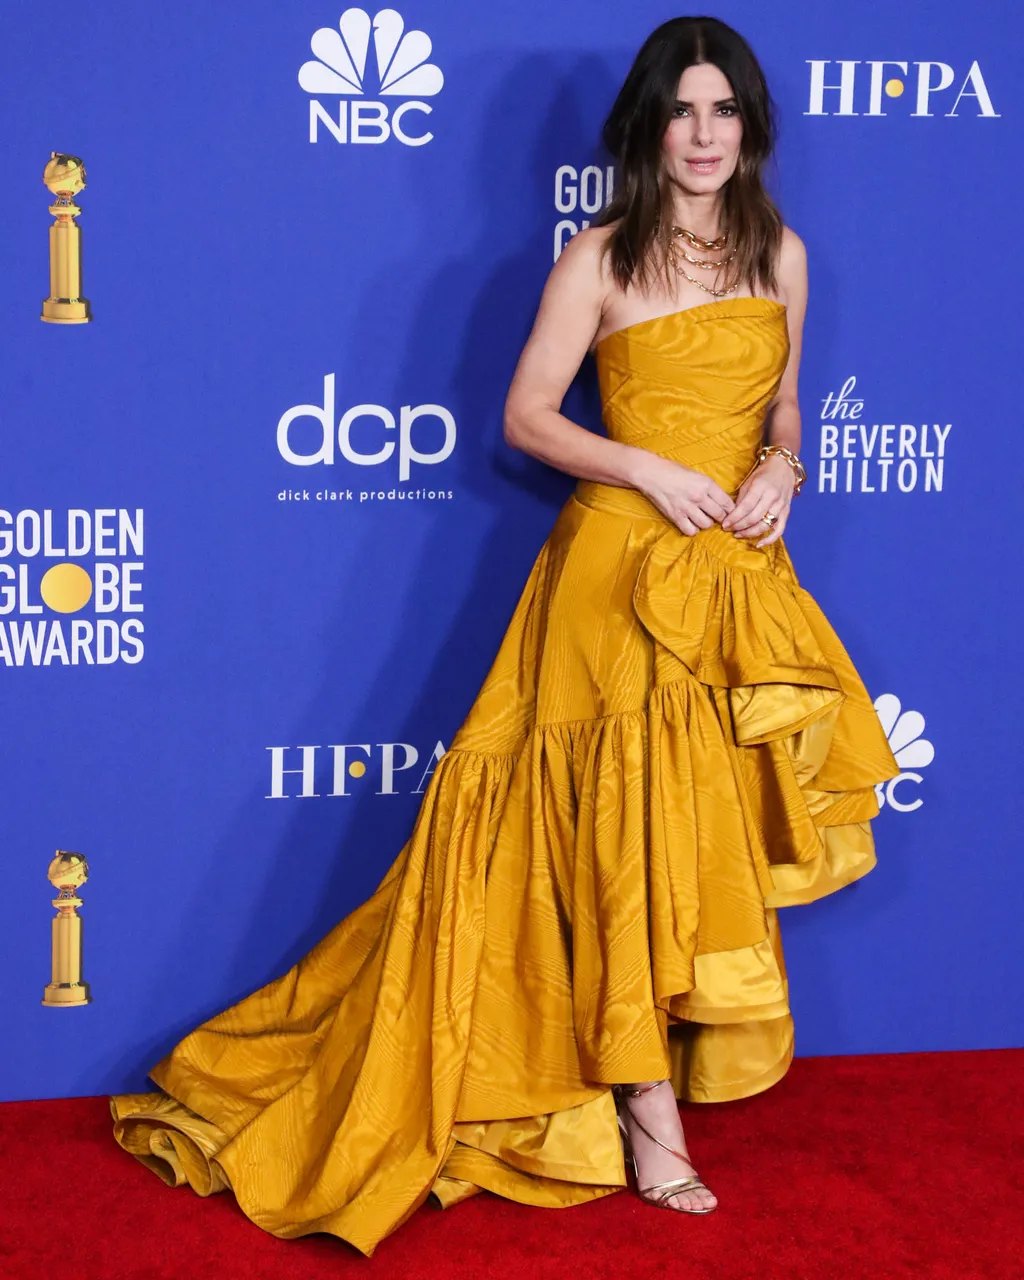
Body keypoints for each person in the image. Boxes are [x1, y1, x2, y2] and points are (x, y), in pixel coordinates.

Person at [110, 14, 900, 1256]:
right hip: (608, 577)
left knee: (686, 831)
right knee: (608, 832)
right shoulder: (598, 257)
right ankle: (645, 1109)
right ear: (648, 125)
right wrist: (645, 464)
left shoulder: (784, 254)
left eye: (724, 111)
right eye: (681, 110)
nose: (702, 135)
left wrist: (785, 467)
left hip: (733, 581)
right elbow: (528, 414)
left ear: (751, 129)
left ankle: (643, 1063)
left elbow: (786, 395)